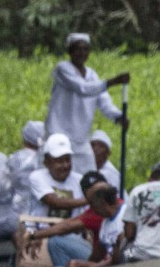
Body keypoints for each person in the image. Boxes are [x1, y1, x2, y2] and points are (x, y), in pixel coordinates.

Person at [45, 32, 129, 173]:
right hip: (59, 135)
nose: (82, 53)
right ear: (70, 51)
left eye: (85, 49)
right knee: (59, 176)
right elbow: (82, 89)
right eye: (78, 49)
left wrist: (118, 117)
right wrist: (113, 81)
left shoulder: (92, 75)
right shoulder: (63, 69)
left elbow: (104, 102)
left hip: (81, 139)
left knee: (89, 177)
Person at [17, 170, 113, 267]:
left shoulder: (101, 210)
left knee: (56, 241)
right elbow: (71, 223)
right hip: (101, 254)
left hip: (107, 260)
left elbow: (68, 226)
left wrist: (34, 235)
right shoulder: (102, 208)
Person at [26, 133, 87, 219]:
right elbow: (55, 202)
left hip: (72, 232)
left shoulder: (79, 180)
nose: (65, 165)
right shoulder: (37, 177)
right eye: (59, 161)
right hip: (41, 231)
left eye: (67, 159)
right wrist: (89, 200)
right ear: (46, 163)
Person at [8, 120, 45, 216]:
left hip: (18, 211)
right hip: (42, 212)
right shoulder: (49, 159)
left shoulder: (14, 159)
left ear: (24, 139)